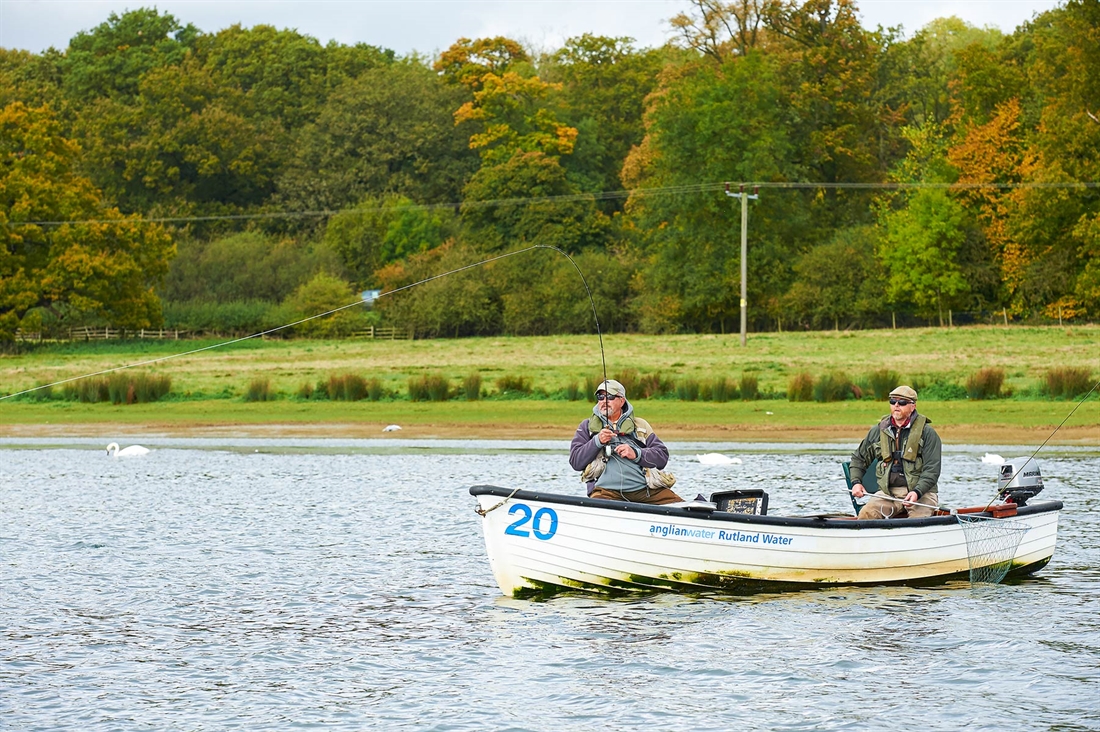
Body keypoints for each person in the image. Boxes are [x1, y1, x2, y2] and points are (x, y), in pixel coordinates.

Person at [569, 379, 682, 505]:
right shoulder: (587, 427)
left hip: (646, 491)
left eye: (610, 397)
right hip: (605, 492)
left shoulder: (640, 425)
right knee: (598, 507)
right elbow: (575, 462)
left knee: (680, 507)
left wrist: (636, 453)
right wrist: (597, 441)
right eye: (600, 397)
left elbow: (662, 457)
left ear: (622, 401)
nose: (604, 401)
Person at [849, 385, 942, 519]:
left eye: (902, 402)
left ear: (913, 406)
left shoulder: (928, 434)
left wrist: (917, 492)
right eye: (893, 402)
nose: (896, 405)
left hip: (922, 494)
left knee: (918, 522)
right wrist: (856, 482)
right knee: (865, 515)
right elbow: (858, 459)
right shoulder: (878, 431)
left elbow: (932, 470)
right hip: (888, 493)